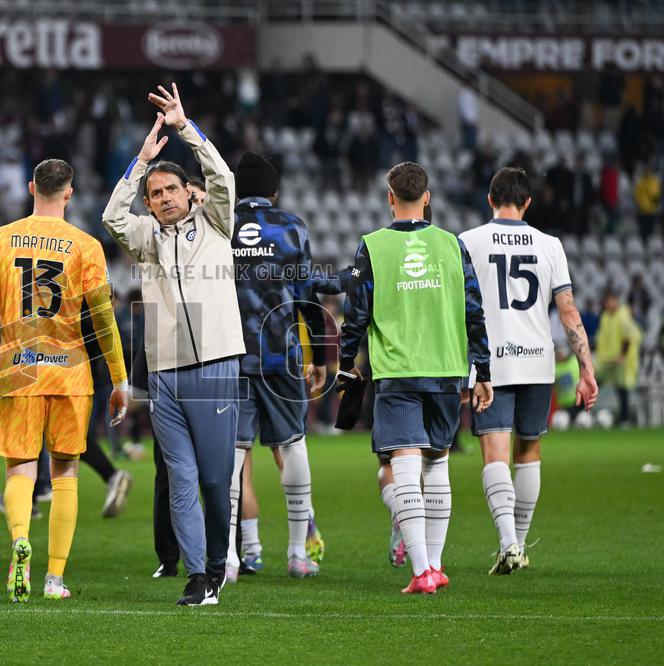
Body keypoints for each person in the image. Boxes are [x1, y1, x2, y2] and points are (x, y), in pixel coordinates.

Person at [102, 84, 244, 605]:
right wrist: (141, 162)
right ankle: (197, 576)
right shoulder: (145, 237)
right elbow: (112, 217)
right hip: (164, 373)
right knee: (180, 478)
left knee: (215, 480)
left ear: (189, 193)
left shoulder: (216, 223)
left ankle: (217, 564)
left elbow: (223, 177)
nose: (163, 198)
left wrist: (185, 128)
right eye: (155, 194)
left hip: (215, 365)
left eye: (170, 190)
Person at [0, 158, 128, 602]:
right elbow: (103, 319)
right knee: (65, 472)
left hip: (17, 370)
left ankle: (20, 539)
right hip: (70, 373)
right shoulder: (86, 246)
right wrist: (119, 379)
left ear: (31, 187)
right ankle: (55, 579)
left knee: (20, 468)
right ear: (69, 193)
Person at [338, 161, 493, 595]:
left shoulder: (373, 246)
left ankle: (422, 570)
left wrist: (347, 362)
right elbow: (474, 311)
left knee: (405, 464)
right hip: (446, 370)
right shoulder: (452, 245)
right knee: (438, 463)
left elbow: (355, 313)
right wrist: (483, 370)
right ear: (426, 197)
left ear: (390, 197)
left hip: (398, 370)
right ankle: (436, 566)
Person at [460, 167, 599, 574]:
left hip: (492, 363)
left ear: (490, 199)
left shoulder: (467, 242)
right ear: (528, 203)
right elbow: (568, 310)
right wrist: (586, 369)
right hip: (538, 362)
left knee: (495, 454)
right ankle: (517, 544)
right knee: (529, 453)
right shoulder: (550, 245)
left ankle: (508, 544)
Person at [224, 152, 329, 583]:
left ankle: (229, 559)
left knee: (233, 453)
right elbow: (307, 295)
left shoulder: (221, 225)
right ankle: (297, 553)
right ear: (274, 191)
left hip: (231, 355)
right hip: (281, 355)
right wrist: (318, 356)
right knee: (293, 445)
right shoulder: (291, 227)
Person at [596, 292, 641, 426]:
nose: (608, 304)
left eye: (610, 301)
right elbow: (602, 337)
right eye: (606, 302)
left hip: (620, 359)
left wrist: (622, 355)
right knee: (595, 384)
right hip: (606, 359)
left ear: (616, 301)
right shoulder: (605, 316)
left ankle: (625, 419)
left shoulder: (623, 315)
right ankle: (582, 414)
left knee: (622, 389)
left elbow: (628, 337)